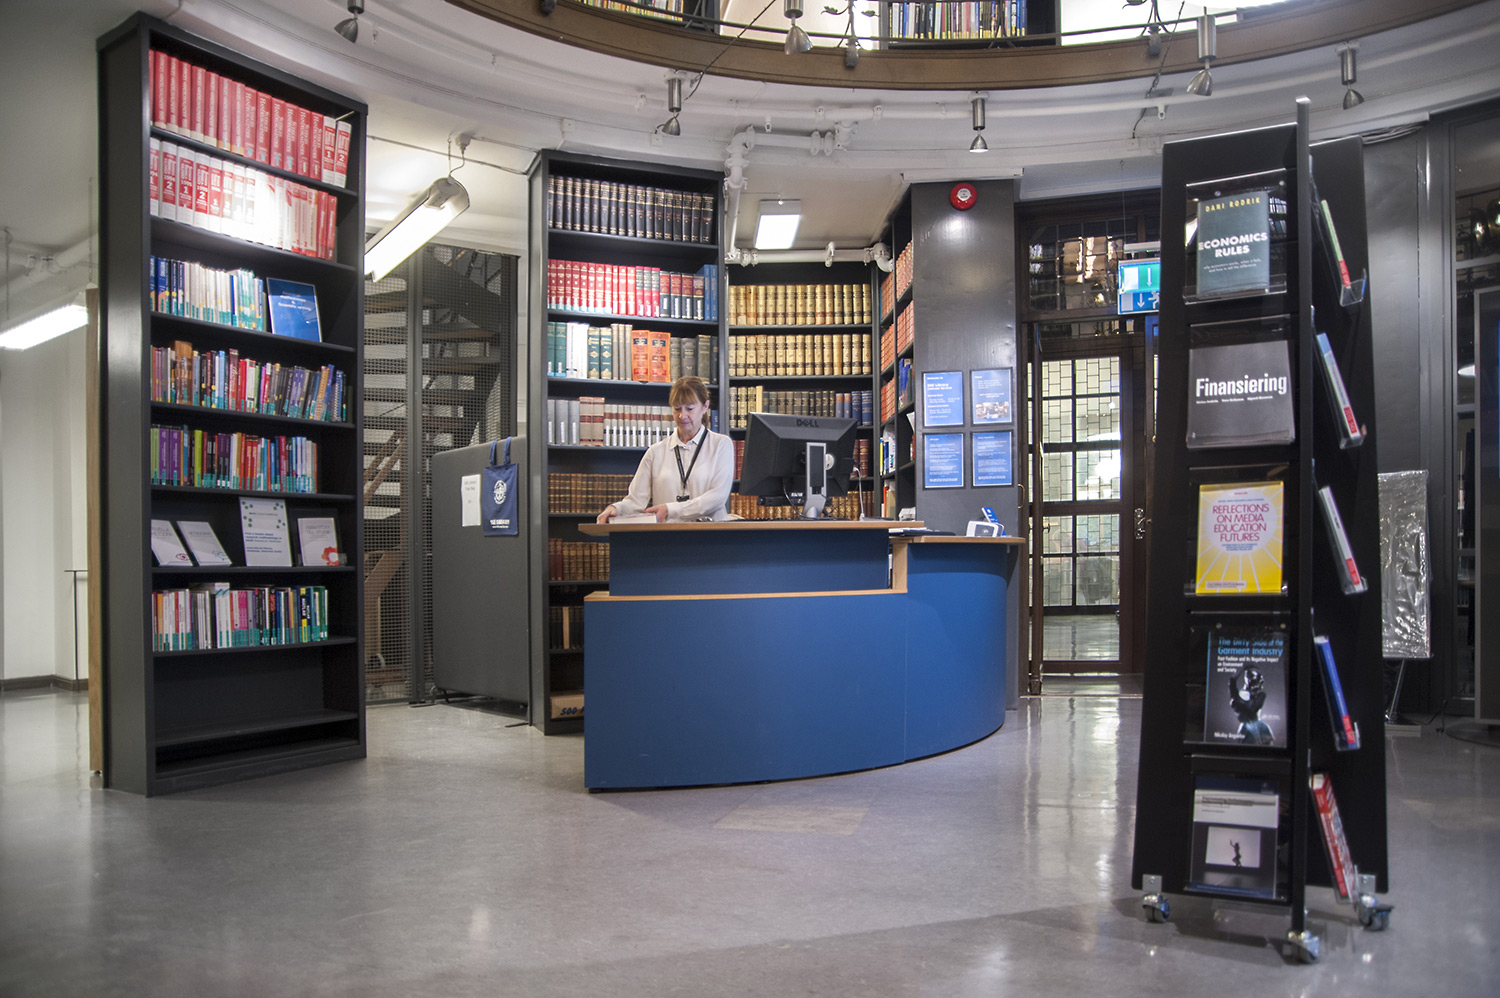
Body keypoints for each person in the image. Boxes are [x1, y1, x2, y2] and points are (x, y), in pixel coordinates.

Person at [596, 375, 733, 523]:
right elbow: (635, 501)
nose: (682, 415)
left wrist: (670, 509)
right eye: (677, 409)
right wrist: (616, 509)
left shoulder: (721, 445)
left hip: (710, 534)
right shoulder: (655, 452)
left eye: (690, 408)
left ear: (705, 406)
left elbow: (717, 497)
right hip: (667, 534)